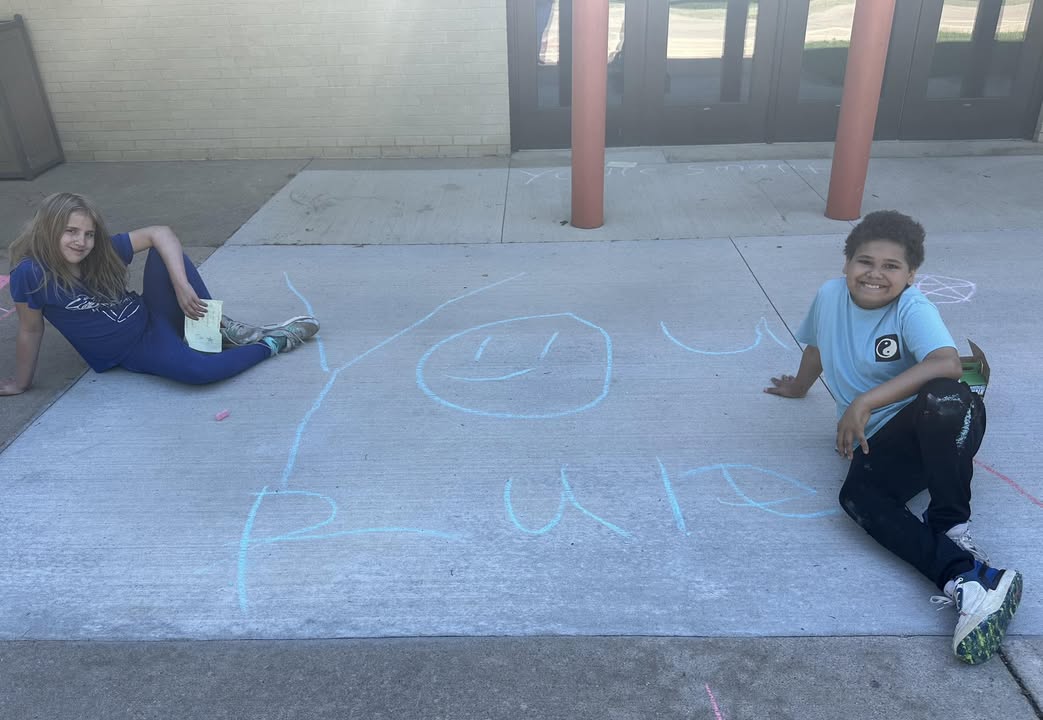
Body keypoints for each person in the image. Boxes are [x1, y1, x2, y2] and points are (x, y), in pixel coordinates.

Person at [765, 210, 1021, 665]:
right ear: (846, 264)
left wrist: (862, 402)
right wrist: (800, 386)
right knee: (858, 496)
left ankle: (950, 524)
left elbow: (944, 363)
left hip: (939, 421)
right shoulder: (829, 296)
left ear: (910, 276)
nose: (875, 274)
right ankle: (970, 580)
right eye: (865, 261)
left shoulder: (912, 307)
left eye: (891, 266)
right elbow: (817, 345)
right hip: (886, 438)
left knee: (946, 398)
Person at [1, 192, 319, 395]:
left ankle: (217, 328)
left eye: (88, 234)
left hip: (152, 314)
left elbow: (160, 232)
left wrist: (182, 286)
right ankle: (276, 341)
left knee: (166, 254)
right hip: (135, 348)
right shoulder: (29, 274)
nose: (81, 242)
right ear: (48, 229)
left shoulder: (98, 253)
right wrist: (21, 382)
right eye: (70, 231)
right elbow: (30, 329)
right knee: (200, 371)